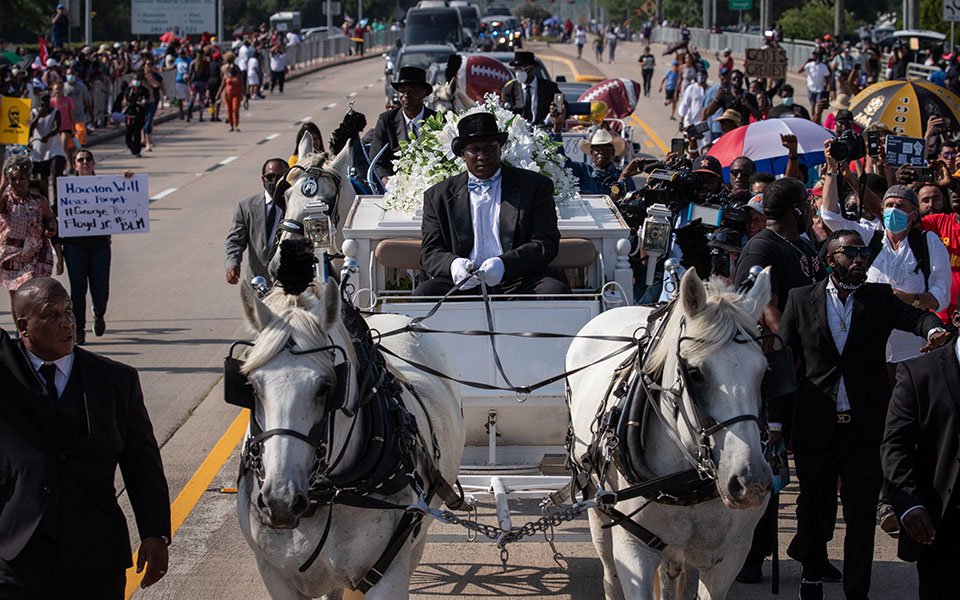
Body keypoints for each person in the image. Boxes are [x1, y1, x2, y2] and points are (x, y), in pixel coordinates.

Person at [779, 229, 949, 600]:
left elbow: (915, 318)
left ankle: (857, 592)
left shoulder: (879, 297)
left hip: (865, 428)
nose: (859, 259)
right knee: (813, 506)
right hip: (815, 424)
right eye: (849, 253)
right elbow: (783, 361)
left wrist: (934, 328)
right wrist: (778, 422)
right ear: (829, 259)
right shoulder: (800, 298)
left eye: (862, 253)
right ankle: (811, 571)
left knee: (860, 515)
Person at [0, 278, 171, 598]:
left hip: (95, 555)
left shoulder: (116, 380)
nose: (66, 322)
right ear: (23, 327)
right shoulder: (5, 370)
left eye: (69, 311)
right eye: (51, 315)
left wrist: (155, 533)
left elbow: (141, 462)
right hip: (16, 555)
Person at [732, 177, 827, 583]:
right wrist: (795, 348)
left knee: (817, 468)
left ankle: (811, 548)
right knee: (769, 465)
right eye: (807, 204)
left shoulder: (802, 246)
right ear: (796, 208)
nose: (811, 211)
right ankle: (753, 555)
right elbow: (766, 309)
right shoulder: (762, 248)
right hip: (780, 373)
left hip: (814, 372)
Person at [414, 112, 570, 297]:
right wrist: (454, 265)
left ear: (500, 149)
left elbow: (545, 243)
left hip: (519, 280)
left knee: (554, 291)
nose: (483, 156)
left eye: (490, 148)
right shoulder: (438, 196)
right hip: (463, 284)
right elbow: (430, 251)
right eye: (475, 149)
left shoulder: (534, 186)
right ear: (463, 154)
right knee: (426, 293)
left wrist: (505, 264)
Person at [881, 303, 960, 600]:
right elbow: (896, 445)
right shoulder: (919, 374)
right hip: (941, 526)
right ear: (956, 319)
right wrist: (908, 504)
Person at [58, 149, 119, 345]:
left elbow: (123, 203)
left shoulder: (105, 186)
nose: (84, 162)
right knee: (78, 289)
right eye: (80, 160)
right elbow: (54, 213)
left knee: (100, 289)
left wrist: (128, 180)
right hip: (74, 246)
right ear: (74, 165)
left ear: (93, 163)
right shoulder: (67, 187)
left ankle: (98, 313)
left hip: (99, 245)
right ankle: (79, 331)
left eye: (88, 159)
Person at [0, 155, 59, 325]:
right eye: (13, 179)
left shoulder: (39, 201)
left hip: (35, 256)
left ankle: (34, 329)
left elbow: (50, 218)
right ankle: (21, 331)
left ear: (28, 179)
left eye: (22, 179)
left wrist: (51, 226)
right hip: (11, 258)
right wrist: (3, 184)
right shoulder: (6, 200)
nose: (18, 183)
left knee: (33, 295)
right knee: (17, 298)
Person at [225, 158, 289, 285]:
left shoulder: (293, 205)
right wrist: (233, 264)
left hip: (288, 282)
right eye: (270, 177)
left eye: (280, 176)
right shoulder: (246, 207)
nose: (274, 181)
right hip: (258, 282)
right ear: (263, 179)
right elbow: (235, 240)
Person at [370, 66, 436, 182]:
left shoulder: (436, 120)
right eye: (402, 91)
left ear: (423, 93)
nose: (406, 95)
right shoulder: (386, 120)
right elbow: (376, 161)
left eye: (412, 91)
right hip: (395, 185)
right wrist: (388, 184)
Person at [566, 129, 640, 201]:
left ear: (613, 152)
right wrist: (557, 130)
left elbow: (633, 202)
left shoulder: (624, 178)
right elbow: (561, 161)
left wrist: (623, 178)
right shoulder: (582, 171)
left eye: (606, 149)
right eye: (597, 149)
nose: (601, 152)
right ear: (591, 152)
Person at [501, 51, 561, 127]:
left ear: (532, 67)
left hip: (543, 130)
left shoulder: (549, 87)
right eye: (517, 69)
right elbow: (505, 112)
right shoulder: (510, 89)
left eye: (522, 68)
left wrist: (552, 115)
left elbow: (562, 106)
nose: (519, 72)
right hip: (520, 131)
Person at [28, 94, 67, 199]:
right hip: (40, 150)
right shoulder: (35, 112)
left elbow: (56, 127)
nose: (44, 104)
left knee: (56, 173)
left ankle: (57, 200)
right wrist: (38, 116)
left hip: (54, 148)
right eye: (42, 102)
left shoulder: (55, 112)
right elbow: (30, 127)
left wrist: (47, 136)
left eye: (46, 101)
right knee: (43, 178)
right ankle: (46, 201)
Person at [48, 82, 76, 175]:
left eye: (59, 89)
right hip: (55, 128)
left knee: (64, 145)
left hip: (66, 127)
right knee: (62, 148)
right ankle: (68, 164)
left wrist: (74, 126)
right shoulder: (51, 102)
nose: (57, 91)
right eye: (55, 89)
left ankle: (65, 166)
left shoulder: (68, 100)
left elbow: (71, 114)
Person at [122, 72, 151, 158]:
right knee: (128, 133)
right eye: (135, 79)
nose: (136, 82)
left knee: (137, 133)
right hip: (129, 114)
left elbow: (147, 100)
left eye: (138, 80)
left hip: (139, 115)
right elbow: (124, 100)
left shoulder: (144, 91)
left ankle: (137, 150)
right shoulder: (129, 90)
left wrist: (143, 103)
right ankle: (131, 146)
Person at [218, 59, 245, 132]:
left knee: (235, 109)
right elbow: (222, 85)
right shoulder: (226, 76)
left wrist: (245, 95)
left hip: (237, 94)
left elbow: (242, 85)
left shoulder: (238, 76)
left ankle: (236, 125)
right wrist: (218, 94)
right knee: (228, 110)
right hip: (227, 94)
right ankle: (231, 126)